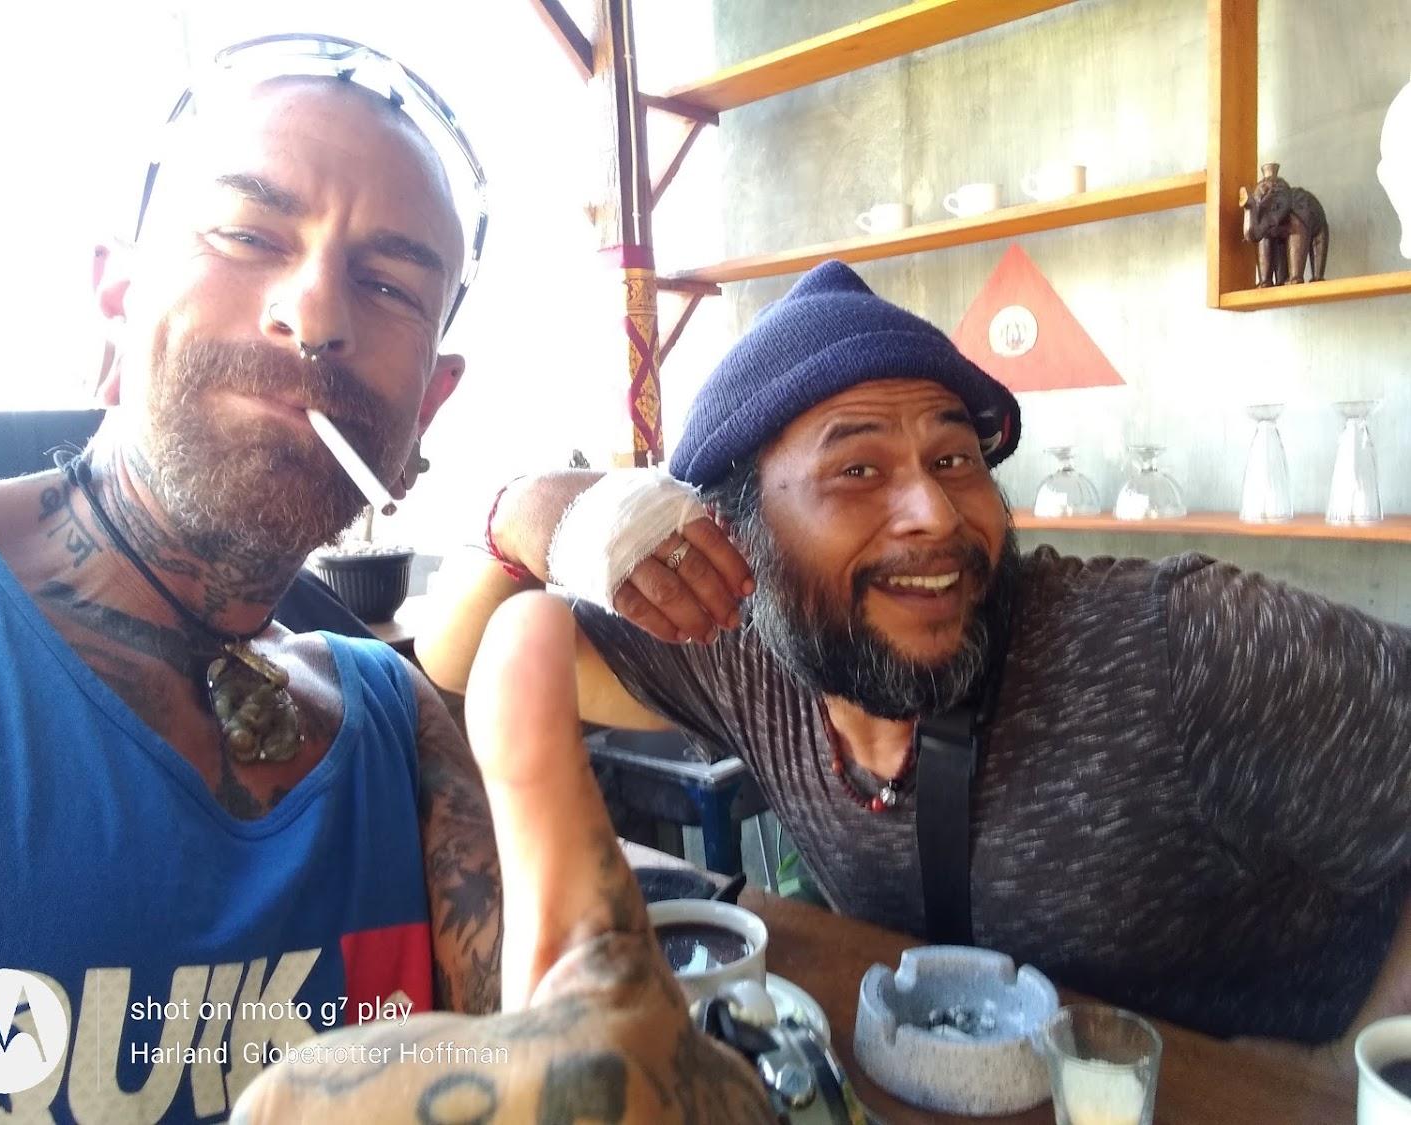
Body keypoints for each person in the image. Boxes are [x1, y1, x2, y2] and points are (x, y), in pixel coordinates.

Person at [0, 35, 764, 1124]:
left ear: (429, 402)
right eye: (247, 233)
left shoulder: (394, 730)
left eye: (390, 284)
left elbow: (577, 1030)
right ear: (116, 296)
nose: (316, 315)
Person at [418, 258, 1411, 1067]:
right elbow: (458, 654)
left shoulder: (1176, 642)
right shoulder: (740, 648)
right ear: (731, 537)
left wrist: (1354, 1065)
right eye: (856, 469)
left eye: (955, 459)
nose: (935, 512)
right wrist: (533, 512)